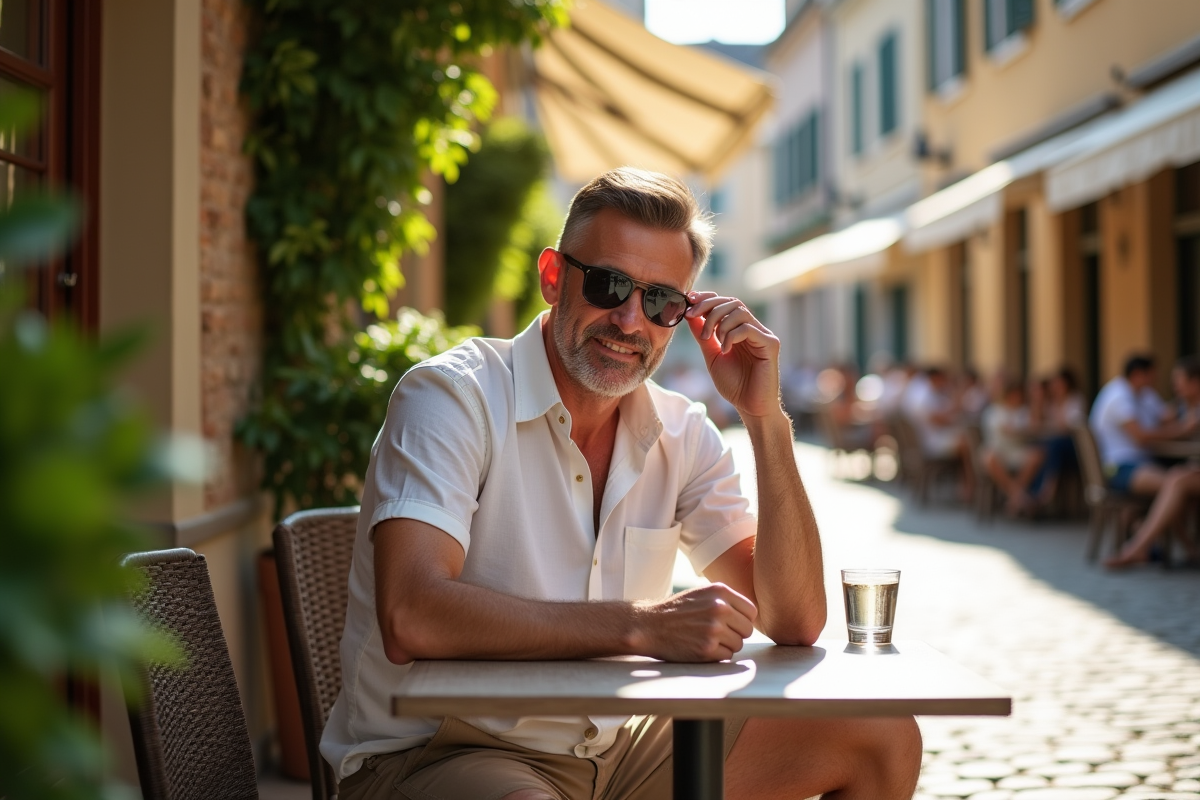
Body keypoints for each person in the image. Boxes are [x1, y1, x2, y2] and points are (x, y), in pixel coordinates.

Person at [321, 168, 922, 800]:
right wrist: (643, 626)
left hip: (613, 753)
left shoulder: (681, 430)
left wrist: (765, 420)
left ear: (684, 318)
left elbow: (794, 620)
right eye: (609, 286)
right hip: (438, 752)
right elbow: (413, 614)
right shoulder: (452, 396)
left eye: (661, 301)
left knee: (878, 730)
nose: (631, 321)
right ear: (553, 277)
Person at [1092, 355, 1200, 568]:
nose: (1159, 381)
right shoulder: (1119, 396)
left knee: (1173, 483)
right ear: (1139, 375)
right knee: (1171, 485)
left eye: (1179, 381)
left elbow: (1165, 417)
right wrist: (1181, 429)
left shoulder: (1144, 394)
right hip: (1118, 468)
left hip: (1140, 464)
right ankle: (1174, 546)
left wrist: (1184, 405)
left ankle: (1143, 540)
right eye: (1153, 375)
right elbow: (1141, 436)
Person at [981, 379, 1045, 515]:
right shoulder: (994, 410)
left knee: (1037, 455)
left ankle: (1014, 496)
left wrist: (1037, 401)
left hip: (1017, 451)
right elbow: (1007, 430)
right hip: (999, 452)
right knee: (989, 458)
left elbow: (1035, 427)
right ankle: (1018, 495)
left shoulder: (1024, 411)